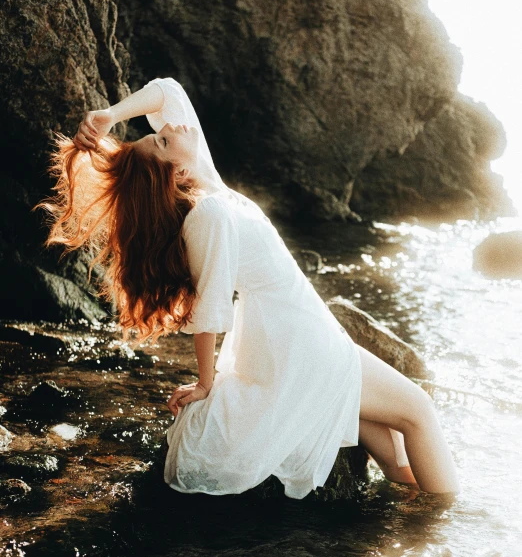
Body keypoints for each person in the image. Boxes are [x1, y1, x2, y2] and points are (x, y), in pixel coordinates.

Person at [37, 76, 460, 499]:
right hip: (302, 343)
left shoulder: (205, 178)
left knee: (390, 448)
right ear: (176, 173)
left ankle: (417, 515)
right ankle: (448, 523)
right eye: (162, 142)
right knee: (418, 411)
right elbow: (212, 307)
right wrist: (206, 382)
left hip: (300, 332)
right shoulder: (210, 214)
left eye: (158, 133)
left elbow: (168, 90)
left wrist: (111, 116)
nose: (169, 128)